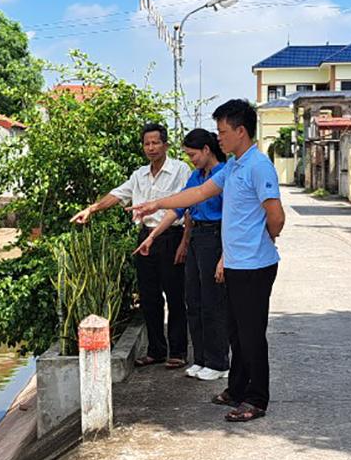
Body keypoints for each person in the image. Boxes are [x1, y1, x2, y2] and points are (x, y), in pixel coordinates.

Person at [129, 100, 285, 423]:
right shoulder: (233, 167)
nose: (219, 138)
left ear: (241, 131)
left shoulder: (258, 166)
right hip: (236, 265)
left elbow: (277, 218)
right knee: (236, 331)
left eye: (223, 132)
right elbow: (198, 194)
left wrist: (262, 239)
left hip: (255, 265)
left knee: (252, 333)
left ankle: (256, 398)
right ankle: (237, 388)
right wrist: (155, 203)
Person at [71, 122, 190, 369]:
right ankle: (156, 350)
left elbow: (187, 205)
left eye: (156, 142)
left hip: (171, 237)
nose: (151, 148)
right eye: (147, 143)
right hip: (144, 238)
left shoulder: (180, 170)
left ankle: (177, 351)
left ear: (165, 144)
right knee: (149, 297)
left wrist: (185, 242)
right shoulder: (139, 175)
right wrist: (91, 209)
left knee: (175, 295)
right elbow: (117, 195)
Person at [135, 128, 229, 382]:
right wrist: (152, 237)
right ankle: (201, 359)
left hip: (215, 237)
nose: (191, 160)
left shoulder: (223, 175)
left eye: (193, 154)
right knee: (194, 302)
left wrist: (225, 254)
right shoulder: (198, 176)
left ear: (207, 150)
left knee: (213, 303)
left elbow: (231, 216)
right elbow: (179, 207)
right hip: (198, 237)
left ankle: (218, 361)